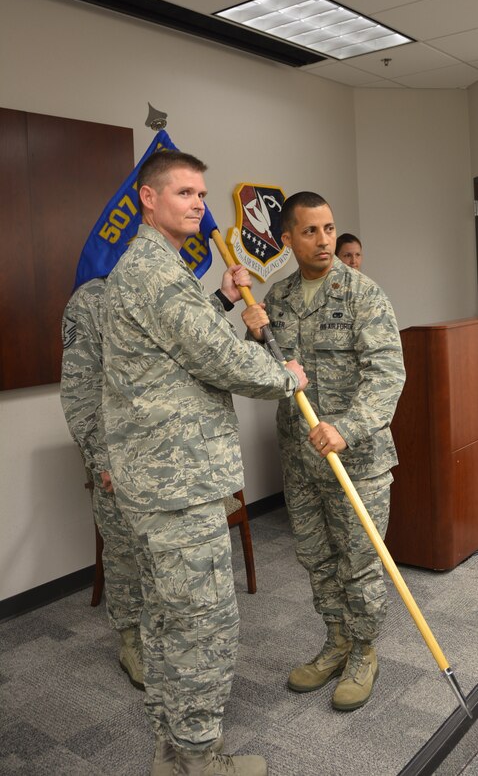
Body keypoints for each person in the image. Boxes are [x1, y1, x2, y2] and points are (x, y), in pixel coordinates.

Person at [101, 150, 308, 776]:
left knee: (167, 625)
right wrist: (284, 374)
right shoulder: (157, 275)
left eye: (201, 193)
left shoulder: (150, 271)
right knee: (201, 630)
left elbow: (179, 352)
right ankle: (198, 762)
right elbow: (220, 361)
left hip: (157, 482)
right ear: (148, 199)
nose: (199, 204)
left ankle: (172, 752)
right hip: (178, 487)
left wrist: (219, 303)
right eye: (186, 192)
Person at [242, 192, 405, 712]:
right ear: (287, 238)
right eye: (310, 231)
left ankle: (363, 651)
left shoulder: (363, 294)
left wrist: (348, 427)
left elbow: (387, 375)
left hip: (356, 459)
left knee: (359, 561)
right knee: (315, 558)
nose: (324, 241)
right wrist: (251, 340)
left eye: (330, 229)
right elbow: (271, 377)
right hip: (301, 458)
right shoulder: (279, 296)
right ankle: (335, 640)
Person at [60, 279, 145, 690]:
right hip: (118, 454)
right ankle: (132, 642)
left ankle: (166, 634)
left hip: (170, 457)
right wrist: (101, 458)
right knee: (125, 551)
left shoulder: (167, 288)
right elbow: (80, 390)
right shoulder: (92, 299)